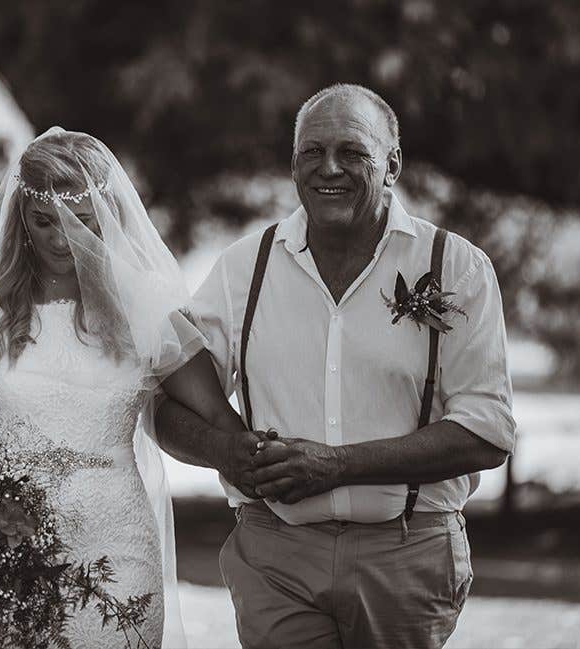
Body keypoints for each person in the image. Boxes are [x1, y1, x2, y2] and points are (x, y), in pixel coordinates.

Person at [156, 84, 516, 649]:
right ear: (292, 163)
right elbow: (170, 395)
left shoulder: (456, 268)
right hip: (275, 553)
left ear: (392, 164)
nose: (330, 168)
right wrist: (225, 451)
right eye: (311, 152)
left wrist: (338, 466)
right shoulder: (243, 268)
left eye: (353, 152)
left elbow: (486, 434)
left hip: (406, 553)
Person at [0, 127, 215, 648]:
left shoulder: (145, 307)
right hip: (6, 547)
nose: (60, 237)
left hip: (119, 544)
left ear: (108, 216)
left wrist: (256, 455)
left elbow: (213, 410)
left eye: (79, 220)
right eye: (44, 220)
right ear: (21, 217)